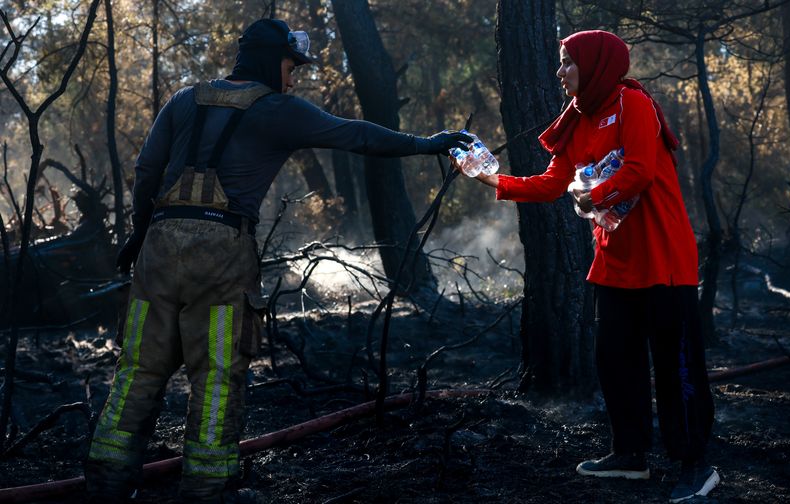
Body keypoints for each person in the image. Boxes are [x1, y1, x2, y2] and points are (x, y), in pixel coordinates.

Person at [84, 18, 471, 503]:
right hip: (221, 253)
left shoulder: (184, 99)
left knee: (138, 367)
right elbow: (356, 135)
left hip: (158, 247)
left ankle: (106, 483)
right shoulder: (279, 109)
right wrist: (427, 143)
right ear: (272, 60)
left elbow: (146, 169)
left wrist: (140, 233)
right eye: (291, 66)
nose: (293, 78)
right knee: (218, 374)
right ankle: (205, 488)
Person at [462, 30, 718, 503]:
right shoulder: (576, 119)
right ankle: (631, 455)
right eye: (560, 63)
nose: (559, 72)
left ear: (595, 64)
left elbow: (639, 169)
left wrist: (591, 196)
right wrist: (489, 177)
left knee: (675, 363)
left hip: (663, 259)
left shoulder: (632, 103)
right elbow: (551, 182)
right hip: (615, 263)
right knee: (615, 361)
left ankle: (695, 463)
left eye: (566, 63)